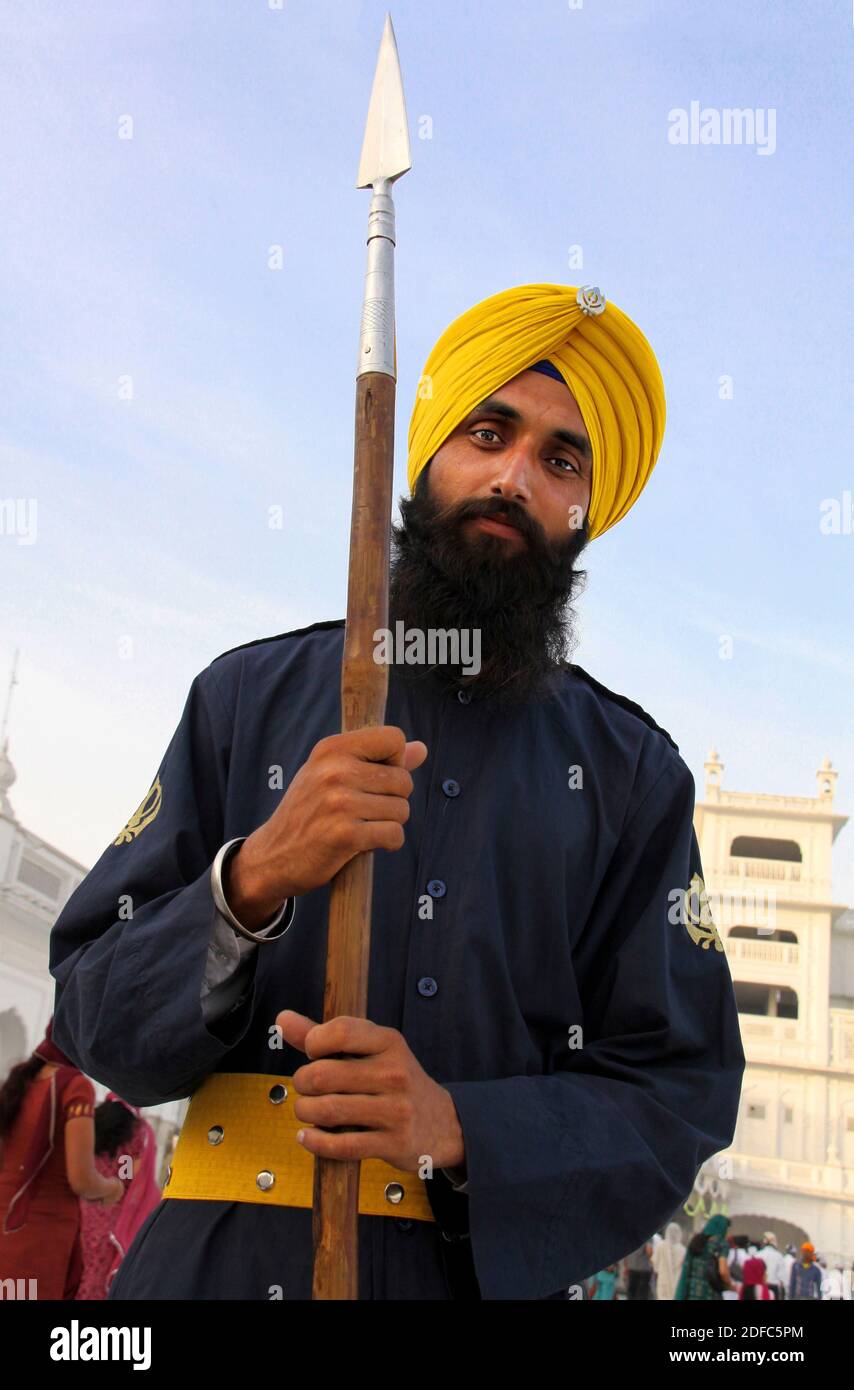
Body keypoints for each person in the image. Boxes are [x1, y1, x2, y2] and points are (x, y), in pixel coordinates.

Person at [49, 282, 746, 1301]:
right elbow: (92, 1013)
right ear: (421, 456)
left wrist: (456, 1126)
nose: (512, 476)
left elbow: (678, 1089)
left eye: (560, 459)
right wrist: (248, 882)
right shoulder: (244, 698)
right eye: (486, 431)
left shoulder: (631, 776)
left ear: (587, 509)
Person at [0, 1018, 123, 1299]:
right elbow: (81, 1179)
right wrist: (113, 1188)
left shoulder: (22, 1082)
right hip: (38, 1240)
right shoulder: (74, 1086)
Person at [76, 1095, 162, 1300]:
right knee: (96, 1277)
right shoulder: (139, 1132)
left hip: (82, 1211)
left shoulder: (92, 1120)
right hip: (112, 1219)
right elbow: (128, 1178)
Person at [674, 1214, 735, 1300]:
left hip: (692, 1291)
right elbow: (723, 1271)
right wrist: (730, 1284)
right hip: (710, 1293)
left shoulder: (696, 1240)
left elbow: (686, 1265)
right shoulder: (721, 1243)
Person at [651, 1221, 686, 1300]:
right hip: (677, 1282)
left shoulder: (661, 1245)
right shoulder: (683, 1250)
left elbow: (654, 1262)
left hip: (663, 1281)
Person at [757, 1230, 786, 1302]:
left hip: (760, 1287)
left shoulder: (758, 1255)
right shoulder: (779, 1256)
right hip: (774, 1288)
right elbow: (782, 1277)